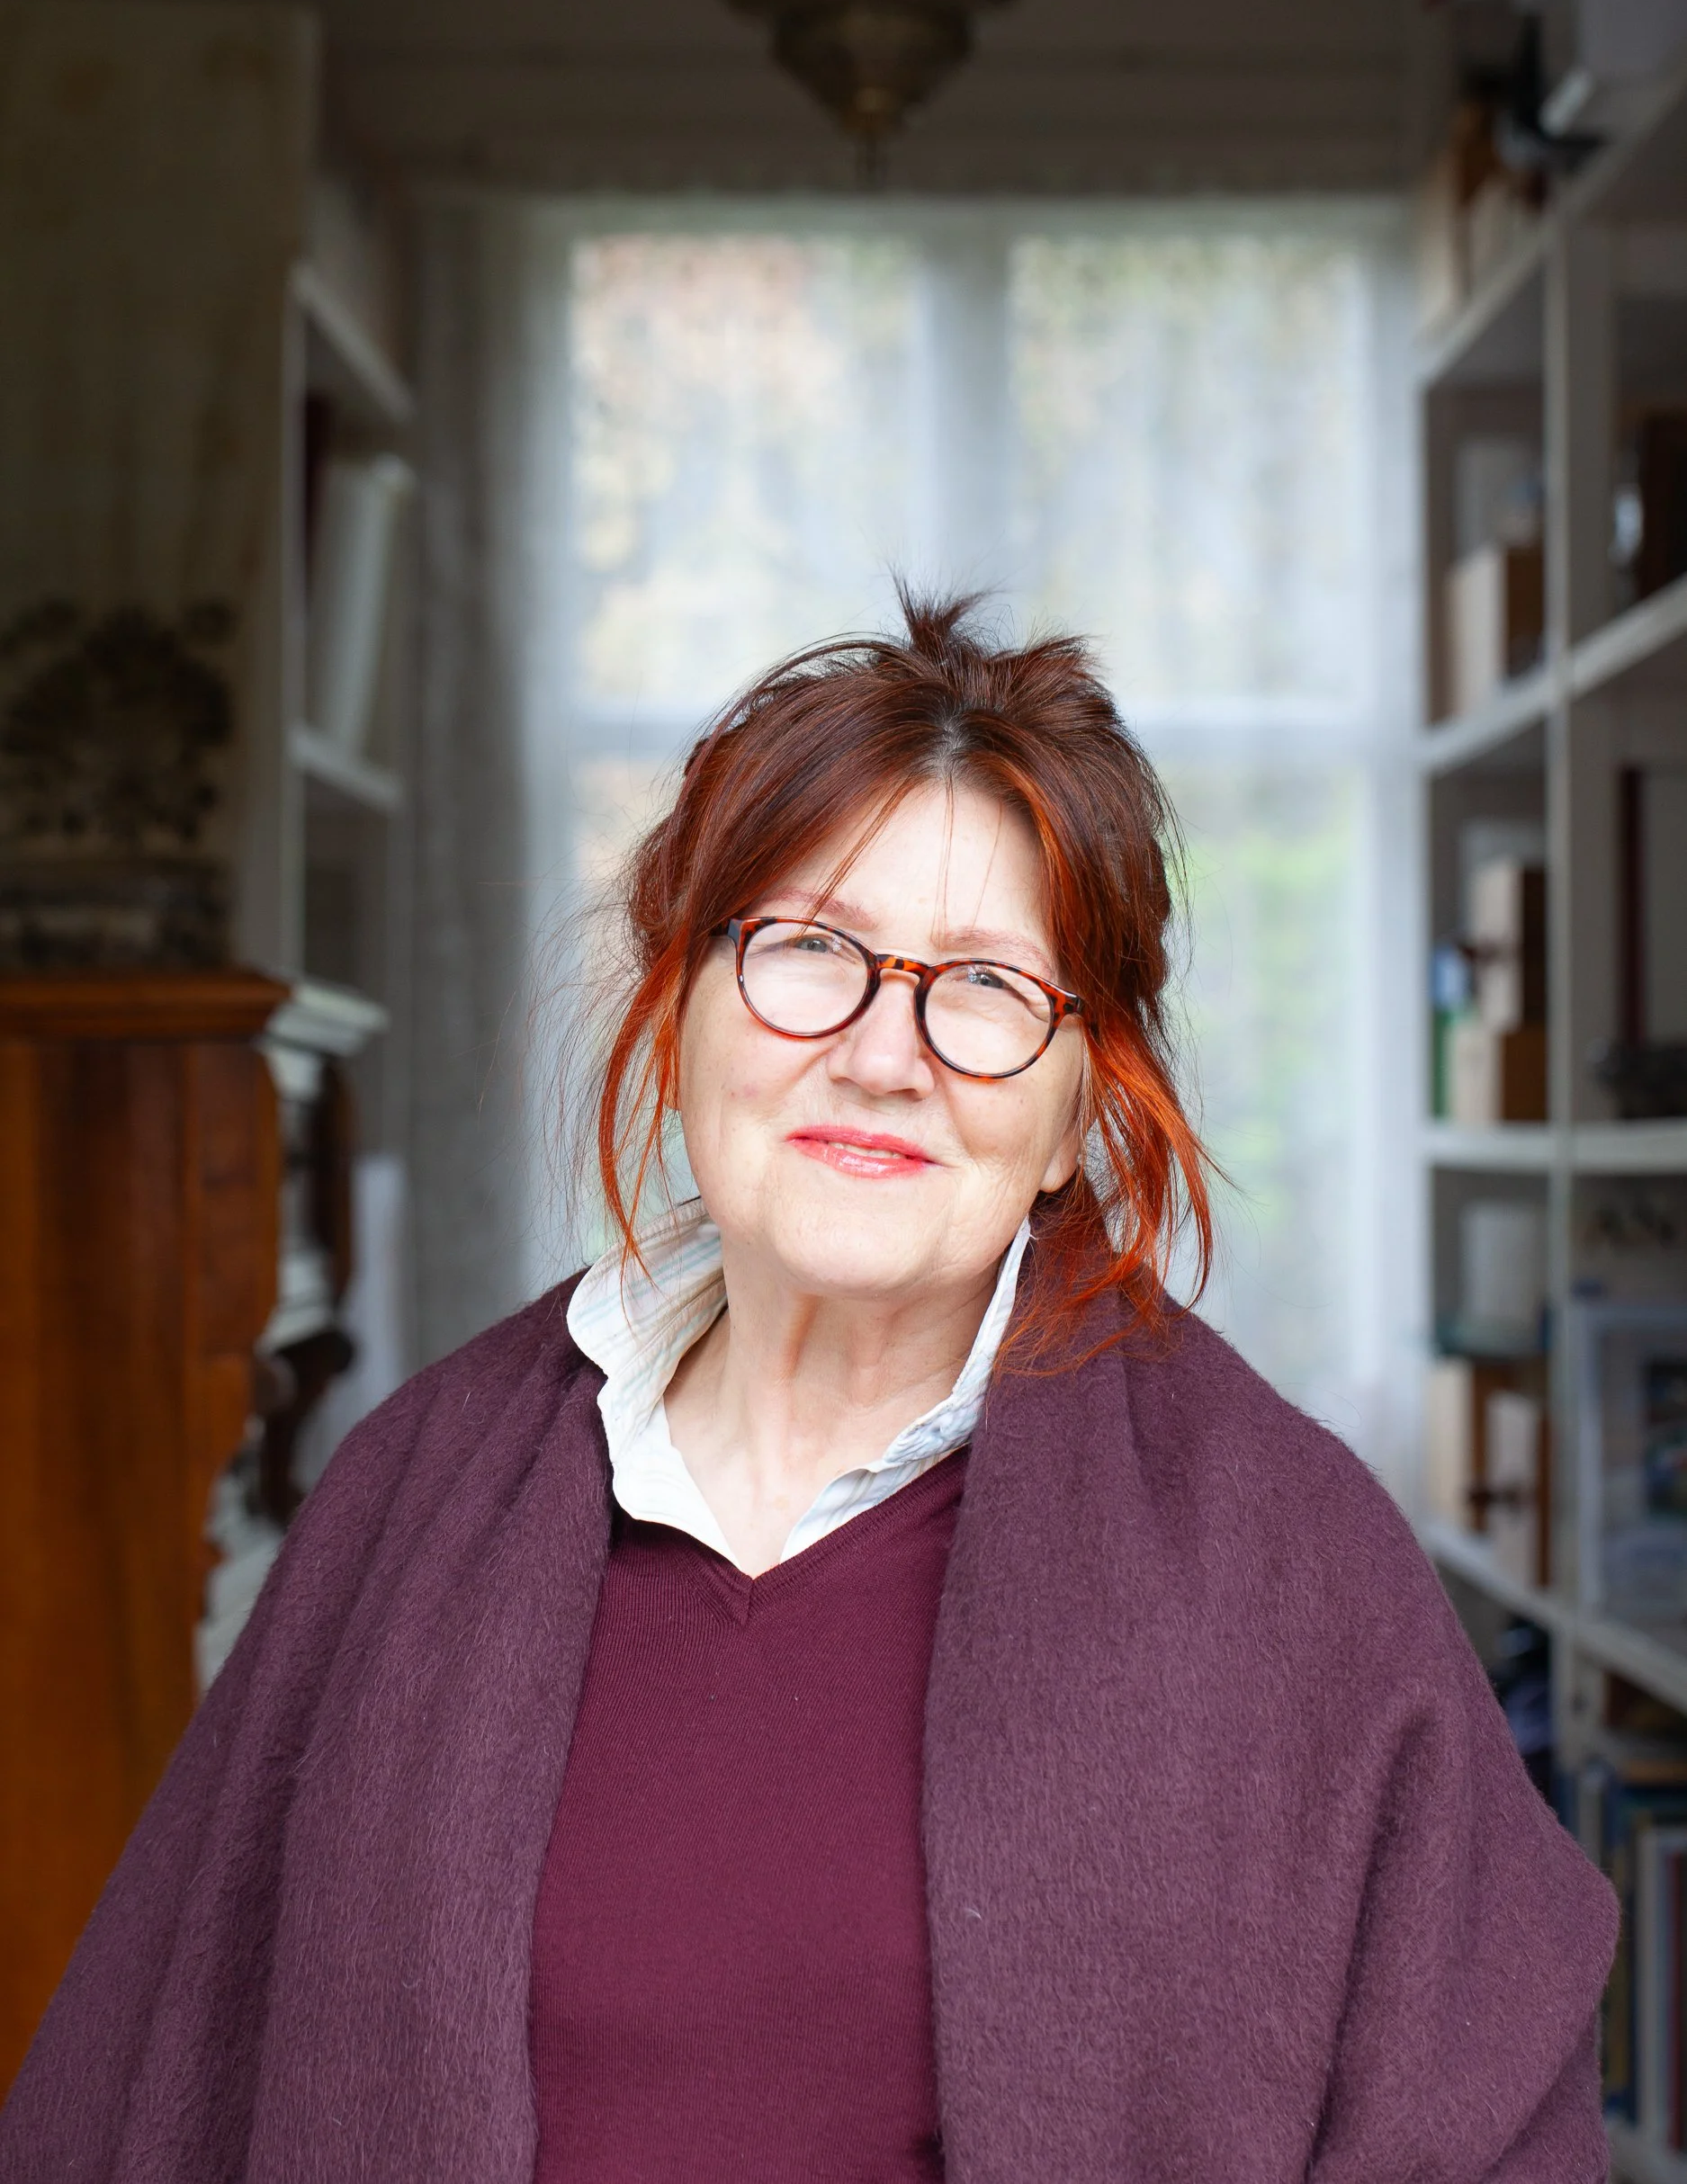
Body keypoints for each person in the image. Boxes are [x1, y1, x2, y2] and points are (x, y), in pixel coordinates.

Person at [0, 594, 1618, 2183]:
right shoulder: (413, 1488)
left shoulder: (1289, 1558)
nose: (882, 1053)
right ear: (676, 1004)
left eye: (985, 988)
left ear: (1079, 1113)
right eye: (807, 948)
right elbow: (141, 2089)